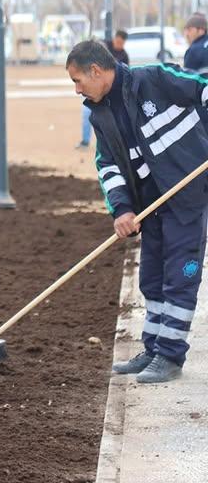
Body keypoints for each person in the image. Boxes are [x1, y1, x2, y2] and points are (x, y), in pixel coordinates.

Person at [66, 39, 208, 383]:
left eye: (77, 80)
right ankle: (154, 348)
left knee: (180, 276)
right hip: (151, 207)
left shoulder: (153, 79)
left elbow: (202, 89)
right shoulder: (101, 115)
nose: (76, 89)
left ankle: (171, 356)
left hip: (187, 198)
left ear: (96, 71)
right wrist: (123, 210)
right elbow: (109, 166)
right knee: (152, 279)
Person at [76, 30, 130, 149]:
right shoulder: (105, 45)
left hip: (110, 92)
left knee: (111, 119)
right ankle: (85, 141)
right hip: (93, 87)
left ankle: (114, 145)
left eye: (122, 43)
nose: (119, 44)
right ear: (114, 38)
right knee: (86, 113)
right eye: (118, 41)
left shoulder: (124, 56)